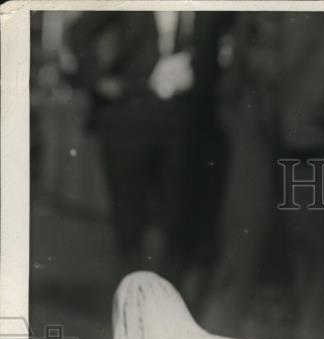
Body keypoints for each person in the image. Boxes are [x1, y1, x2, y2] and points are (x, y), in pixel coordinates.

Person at [201, 11, 324, 339]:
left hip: (313, 116)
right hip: (252, 106)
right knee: (239, 226)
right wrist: (230, 93)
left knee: (309, 236)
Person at [67, 11, 231, 293]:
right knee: (129, 224)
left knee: (179, 222)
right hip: (130, 116)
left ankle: (171, 310)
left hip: (185, 121)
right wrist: (98, 80)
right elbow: (78, 31)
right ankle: (132, 307)